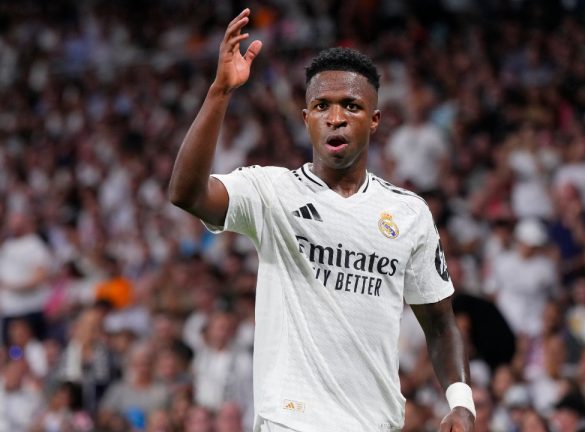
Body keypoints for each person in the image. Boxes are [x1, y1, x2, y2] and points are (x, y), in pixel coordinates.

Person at [168, 8, 475, 432]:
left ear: (374, 120)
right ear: (306, 118)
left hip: (375, 424)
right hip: (290, 422)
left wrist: (461, 402)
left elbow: (440, 323)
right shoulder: (270, 192)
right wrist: (220, 91)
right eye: (322, 105)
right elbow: (185, 193)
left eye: (351, 105)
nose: (336, 117)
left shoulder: (409, 214)